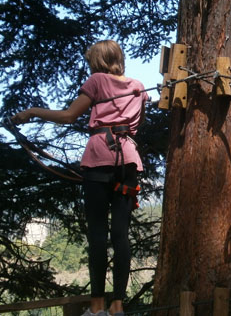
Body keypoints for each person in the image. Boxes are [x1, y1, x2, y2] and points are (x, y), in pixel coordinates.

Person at [12, 40, 148, 316]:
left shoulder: (97, 80)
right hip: (128, 161)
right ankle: (117, 306)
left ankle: (97, 306)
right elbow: (138, 124)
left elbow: (69, 115)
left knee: (98, 233)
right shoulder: (139, 86)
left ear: (97, 61)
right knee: (121, 235)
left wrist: (33, 112)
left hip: (99, 156)